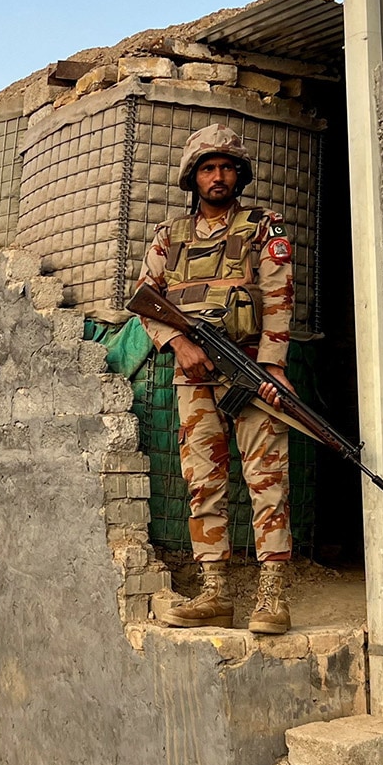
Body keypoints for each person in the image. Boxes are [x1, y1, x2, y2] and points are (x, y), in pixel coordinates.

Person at [136, 123, 297, 634]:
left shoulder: (263, 228)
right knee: (202, 480)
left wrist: (273, 365)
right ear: (194, 177)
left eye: (227, 167)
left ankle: (271, 596)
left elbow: (278, 296)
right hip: (195, 376)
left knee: (266, 478)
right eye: (208, 168)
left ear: (239, 175)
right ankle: (215, 592)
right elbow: (145, 300)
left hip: (250, 369)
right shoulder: (170, 237)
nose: (219, 176)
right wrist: (179, 345)